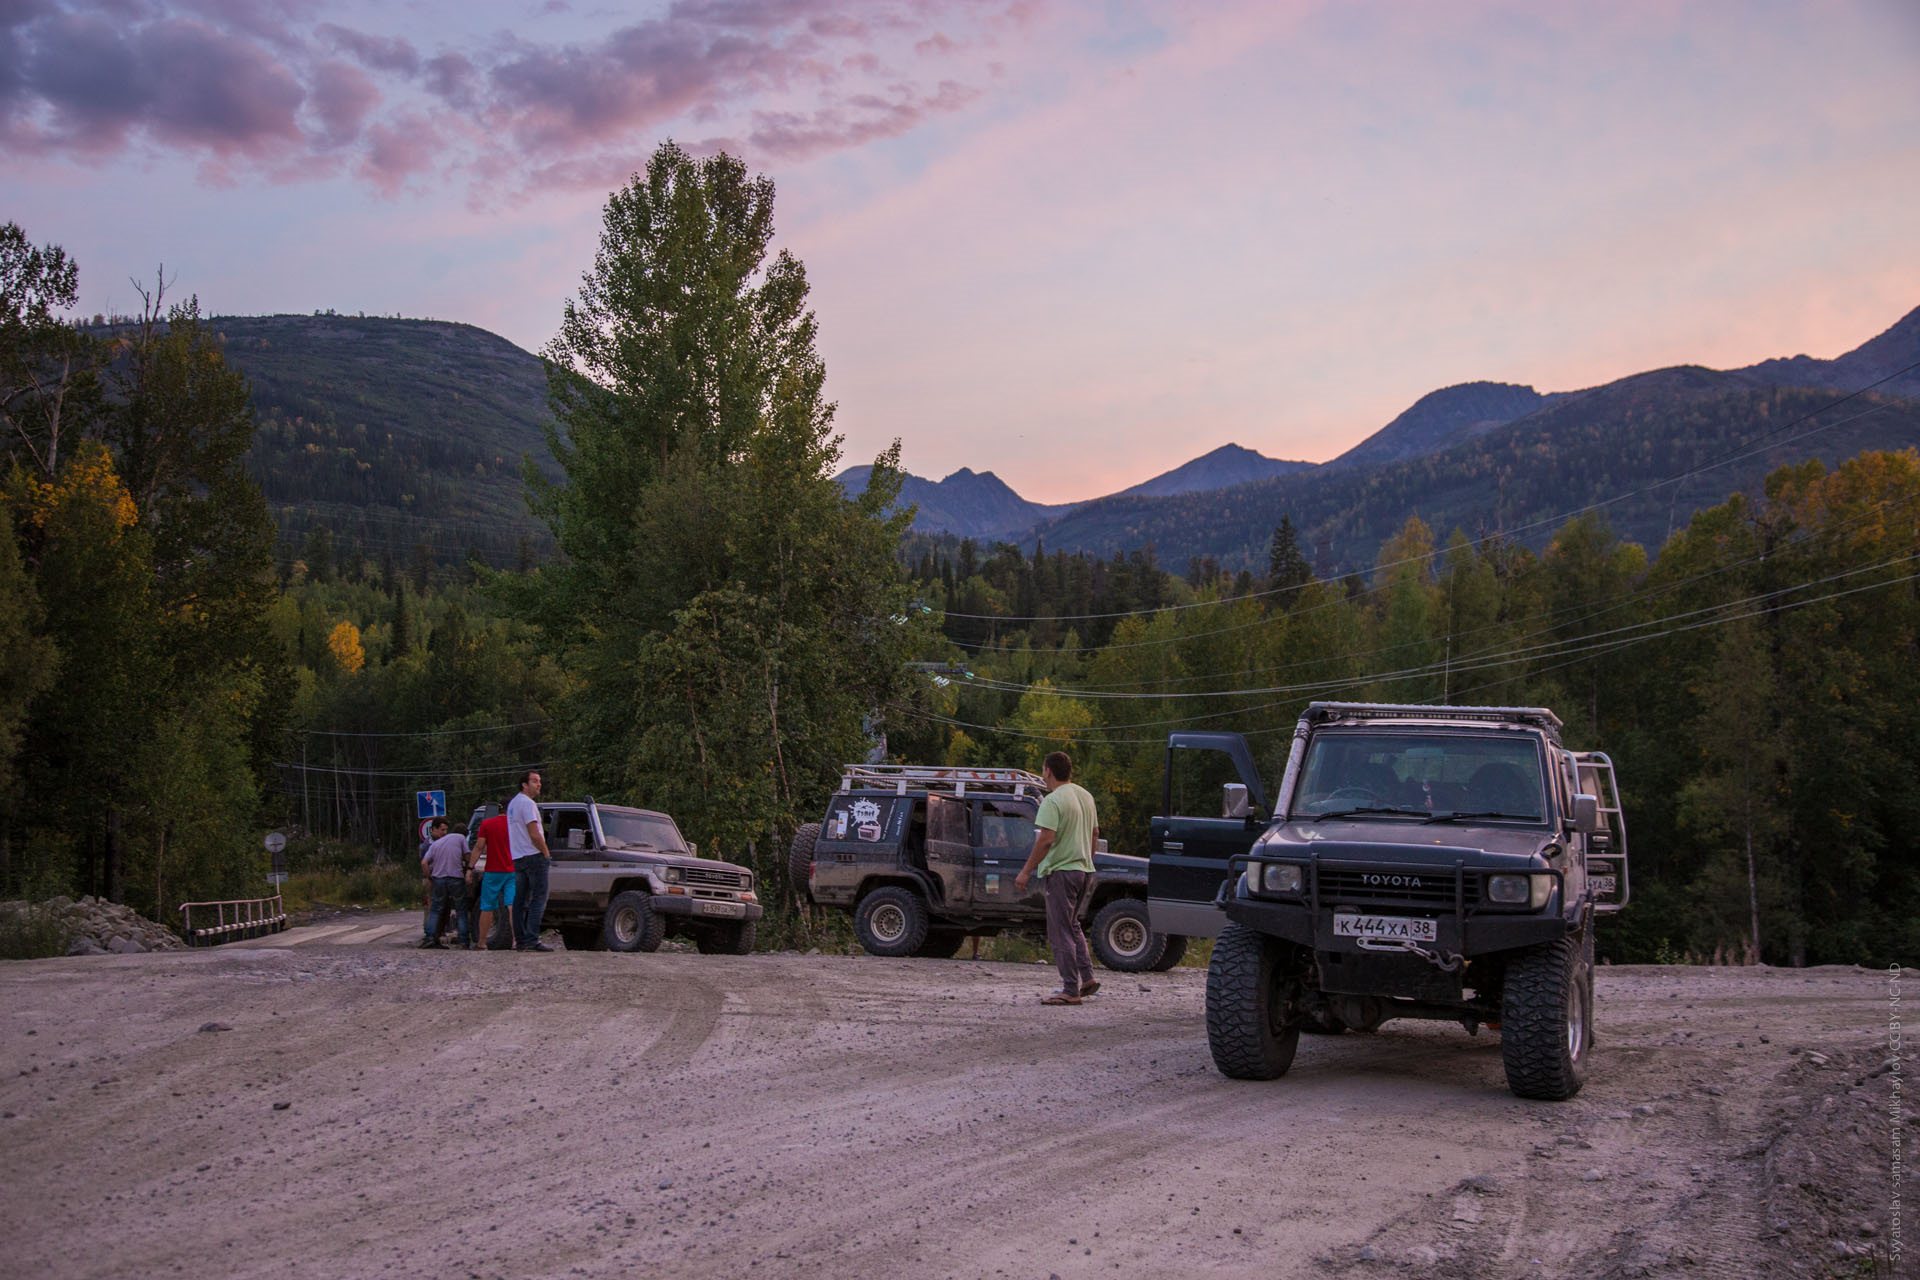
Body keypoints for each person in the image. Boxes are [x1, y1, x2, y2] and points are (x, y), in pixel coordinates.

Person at [1013, 750, 1100, 1005]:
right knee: (1072, 925)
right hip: (1083, 870)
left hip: (1062, 872)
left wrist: (1026, 871)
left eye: (1043, 768)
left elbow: (1046, 840)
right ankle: (1088, 978)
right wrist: (1089, 862)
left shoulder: (1052, 801)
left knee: (1060, 930)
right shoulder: (1085, 796)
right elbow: (1094, 833)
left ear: (1048, 771)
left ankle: (1070, 990)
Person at [508, 770, 553, 952]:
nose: (538, 784)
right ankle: (532, 939)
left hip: (518, 857)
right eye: (534, 781)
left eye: (539, 781)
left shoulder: (513, 804)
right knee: (538, 898)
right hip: (533, 856)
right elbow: (534, 833)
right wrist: (546, 852)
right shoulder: (528, 804)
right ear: (524, 784)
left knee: (519, 900)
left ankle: (520, 940)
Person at [471, 801, 517, 951]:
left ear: (499, 809)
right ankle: (516, 941)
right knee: (511, 906)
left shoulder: (487, 824)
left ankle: (482, 942)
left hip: (492, 871)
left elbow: (479, 847)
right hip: (511, 871)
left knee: (487, 907)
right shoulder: (515, 826)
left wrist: (470, 867)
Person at [419, 819, 470, 950]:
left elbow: (424, 863)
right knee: (461, 910)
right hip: (455, 878)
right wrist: (468, 868)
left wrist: (429, 876)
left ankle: (430, 937)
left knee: (436, 909)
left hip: (439, 879)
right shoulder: (461, 838)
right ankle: (464, 941)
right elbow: (467, 856)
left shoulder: (437, 843)